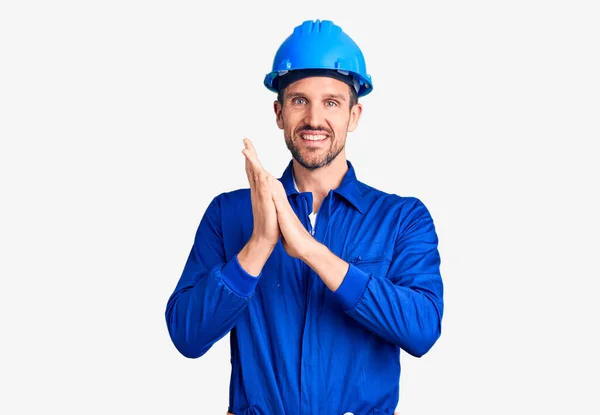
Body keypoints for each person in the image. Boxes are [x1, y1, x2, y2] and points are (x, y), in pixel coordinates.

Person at [165, 19, 444, 415]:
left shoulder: (402, 219)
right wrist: (259, 245)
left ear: (354, 115)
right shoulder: (228, 215)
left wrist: (311, 250)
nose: (314, 119)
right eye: (299, 101)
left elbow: (422, 330)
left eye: (331, 102)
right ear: (279, 112)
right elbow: (187, 336)